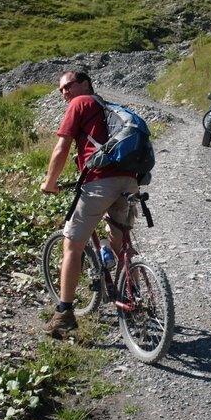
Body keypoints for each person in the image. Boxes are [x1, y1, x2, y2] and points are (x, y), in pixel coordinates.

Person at [40, 71, 138, 338]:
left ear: (85, 84)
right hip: (129, 181)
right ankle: (134, 297)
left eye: (68, 86)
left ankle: (64, 314)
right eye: (60, 90)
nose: (64, 93)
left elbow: (62, 147)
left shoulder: (80, 103)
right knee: (121, 241)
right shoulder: (109, 110)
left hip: (99, 182)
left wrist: (50, 182)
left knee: (72, 244)